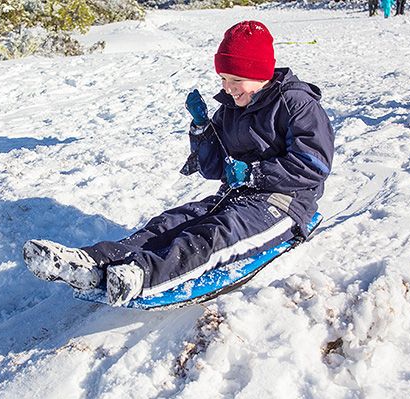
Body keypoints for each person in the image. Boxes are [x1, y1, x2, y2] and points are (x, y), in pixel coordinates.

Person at [23, 21, 335, 306]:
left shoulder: (296, 104)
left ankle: (141, 275)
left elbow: (314, 164)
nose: (227, 87)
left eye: (235, 79)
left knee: (214, 234)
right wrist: (201, 128)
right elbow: (213, 168)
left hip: (282, 204)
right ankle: (90, 263)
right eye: (224, 78)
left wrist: (255, 173)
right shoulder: (231, 108)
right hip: (234, 195)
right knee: (168, 223)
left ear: (261, 73)